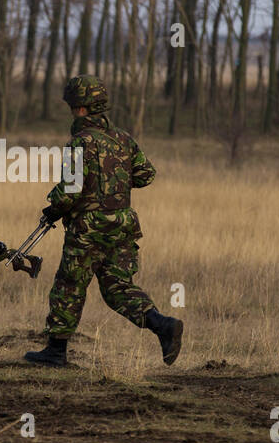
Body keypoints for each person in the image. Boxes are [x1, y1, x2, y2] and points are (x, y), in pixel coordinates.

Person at [24, 75, 182, 367]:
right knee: (117, 287)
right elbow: (146, 174)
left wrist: (52, 210)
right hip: (122, 224)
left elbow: (70, 191)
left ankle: (56, 351)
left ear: (80, 108)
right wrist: (114, 183)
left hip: (89, 228)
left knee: (69, 285)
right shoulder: (123, 139)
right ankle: (163, 325)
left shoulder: (79, 143)